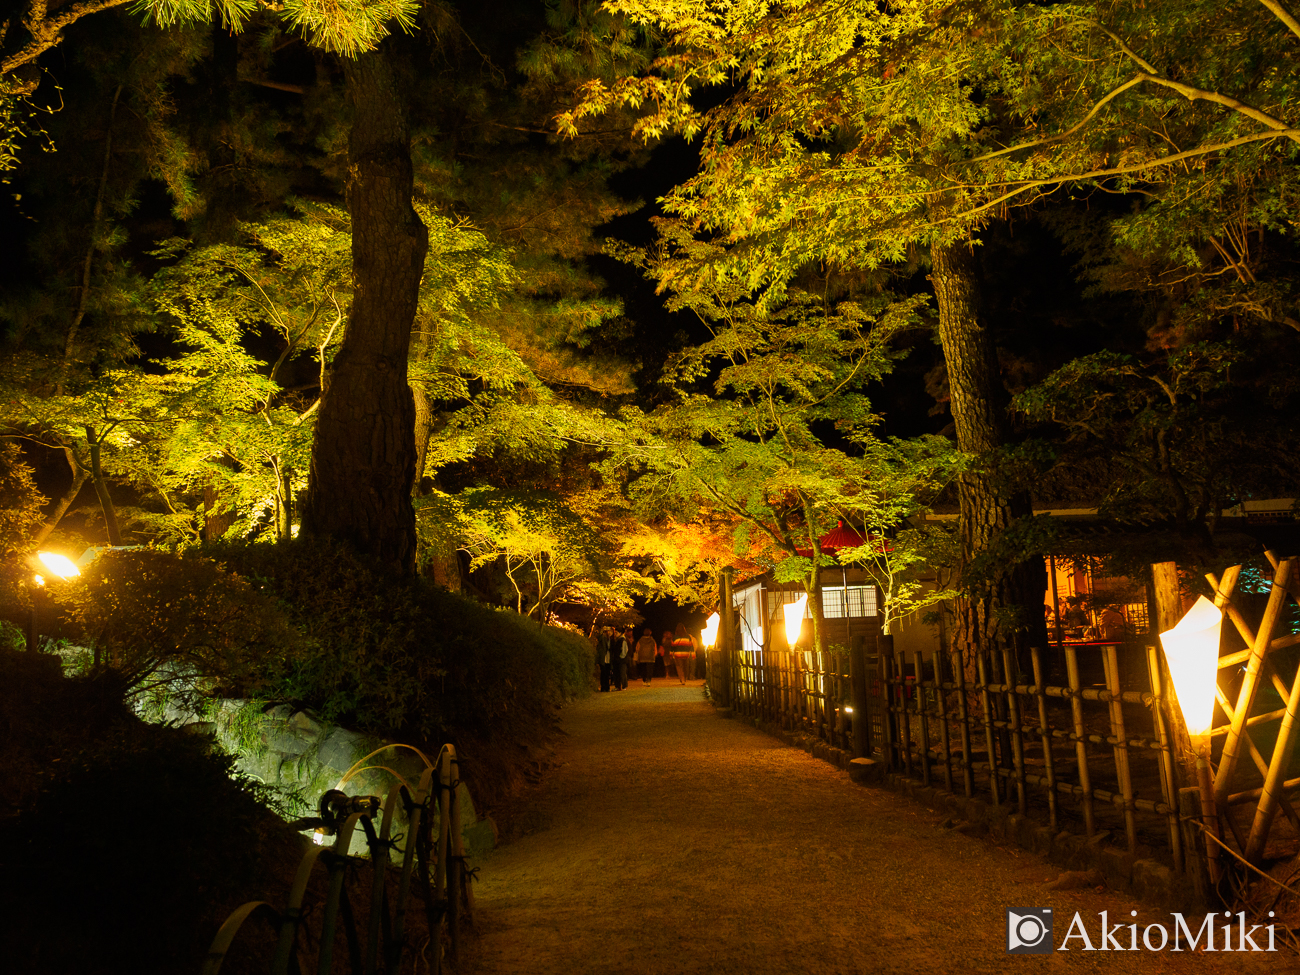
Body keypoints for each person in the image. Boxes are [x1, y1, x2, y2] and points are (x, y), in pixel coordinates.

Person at [594, 624, 612, 692]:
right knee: (604, 673)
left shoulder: (608, 638)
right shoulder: (603, 638)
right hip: (604, 658)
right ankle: (604, 687)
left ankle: (606, 687)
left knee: (606, 673)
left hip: (607, 658)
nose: (608, 632)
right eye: (607, 631)